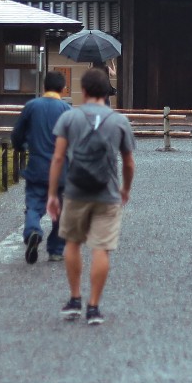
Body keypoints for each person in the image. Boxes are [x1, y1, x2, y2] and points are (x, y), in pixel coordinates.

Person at [46, 67, 136, 325]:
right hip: (107, 193)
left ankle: (74, 299)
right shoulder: (119, 121)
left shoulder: (69, 118)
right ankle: (94, 307)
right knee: (101, 248)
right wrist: (125, 189)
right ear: (106, 92)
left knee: (72, 243)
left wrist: (53, 193)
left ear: (83, 91)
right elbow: (129, 163)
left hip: (75, 190)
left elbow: (59, 157)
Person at [10, 70, 68, 264]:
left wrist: (21, 146)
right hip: (61, 171)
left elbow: (17, 134)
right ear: (63, 88)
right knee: (60, 209)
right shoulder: (67, 110)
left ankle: (33, 230)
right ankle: (56, 250)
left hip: (36, 166)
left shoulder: (31, 106)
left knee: (34, 204)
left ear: (44, 87)